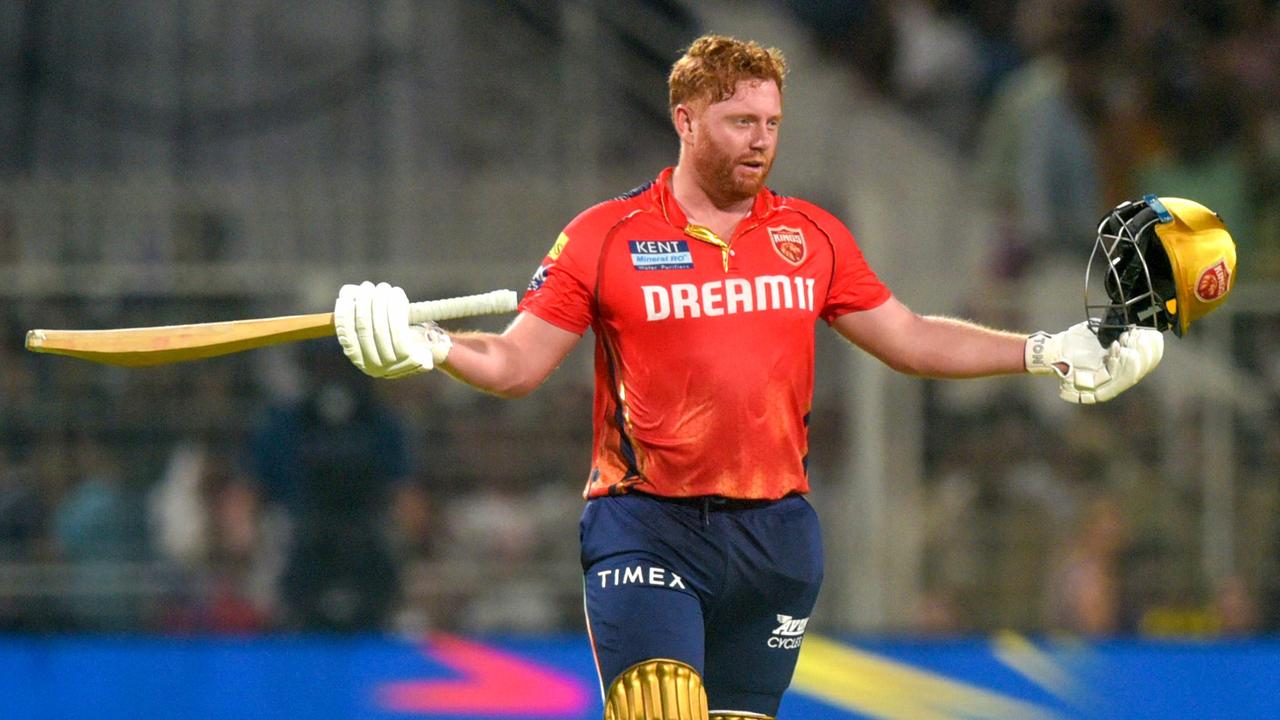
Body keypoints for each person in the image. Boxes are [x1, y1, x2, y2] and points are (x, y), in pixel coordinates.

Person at [332, 35, 1163, 720]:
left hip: (777, 539)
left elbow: (907, 337)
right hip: (644, 527)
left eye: (771, 122)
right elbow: (515, 363)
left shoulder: (812, 235)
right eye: (739, 122)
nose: (761, 140)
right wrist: (430, 346)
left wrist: (1045, 348)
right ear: (684, 120)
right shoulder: (605, 236)